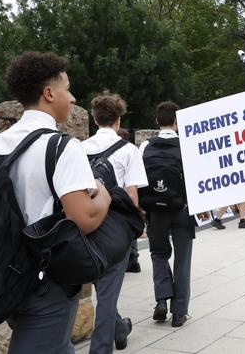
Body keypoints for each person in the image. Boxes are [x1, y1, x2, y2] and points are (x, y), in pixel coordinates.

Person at [0, 51, 111, 353]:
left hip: (2, 274)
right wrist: (104, 194)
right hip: (46, 279)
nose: (73, 98)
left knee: (57, 345)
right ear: (49, 94)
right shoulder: (62, 146)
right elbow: (83, 219)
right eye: (67, 89)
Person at [82, 92, 148, 352]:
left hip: (86, 222)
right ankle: (100, 349)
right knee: (108, 295)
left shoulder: (80, 148)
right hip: (115, 226)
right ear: (118, 120)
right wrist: (133, 230)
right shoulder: (129, 151)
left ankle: (120, 329)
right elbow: (132, 194)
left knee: (104, 287)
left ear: (95, 119)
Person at [139, 101, 209, 327]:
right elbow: (197, 180)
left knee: (158, 253)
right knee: (183, 259)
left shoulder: (145, 147)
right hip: (182, 209)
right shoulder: (187, 145)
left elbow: (140, 181)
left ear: (156, 121)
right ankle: (179, 312)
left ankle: (161, 300)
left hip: (155, 211)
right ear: (177, 122)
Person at [116, 127, 142, 273]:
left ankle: (129, 259)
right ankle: (133, 259)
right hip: (128, 198)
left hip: (116, 198)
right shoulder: (131, 152)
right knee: (131, 231)